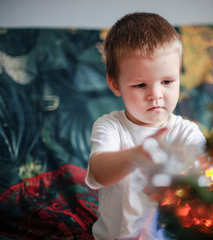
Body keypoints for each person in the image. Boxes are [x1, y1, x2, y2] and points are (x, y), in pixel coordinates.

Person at [85, 12, 206, 240]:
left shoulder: (187, 132)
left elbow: (204, 174)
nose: (156, 95)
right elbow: (99, 172)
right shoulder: (110, 126)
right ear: (115, 84)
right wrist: (136, 156)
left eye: (167, 82)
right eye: (141, 84)